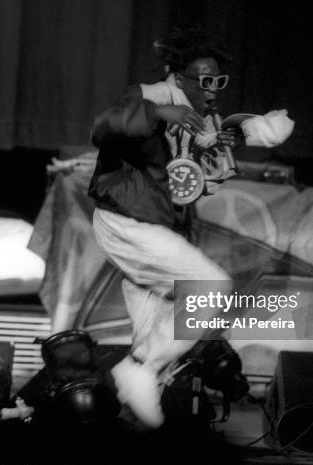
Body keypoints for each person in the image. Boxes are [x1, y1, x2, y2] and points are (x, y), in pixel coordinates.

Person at [88, 27, 239, 428]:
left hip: (151, 228)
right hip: (128, 221)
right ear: (178, 77)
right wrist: (158, 113)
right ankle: (136, 368)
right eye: (204, 81)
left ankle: (127, 415)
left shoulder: (200, 117)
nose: (212, 89)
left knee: (159, 336)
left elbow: (181, 182)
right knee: (212, 288)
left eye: (218, 81)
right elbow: (102, 128)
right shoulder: (150, 95)